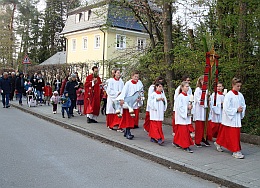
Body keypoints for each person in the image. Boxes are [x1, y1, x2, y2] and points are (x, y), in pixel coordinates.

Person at [214, 78, 246, 159]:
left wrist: (242, 109)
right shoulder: (229, 95)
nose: (239, 88)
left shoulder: (240, 95)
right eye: (237, 86)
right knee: (233, 135)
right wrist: (236, 110)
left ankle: (218, 142)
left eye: (240, 86)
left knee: (227, 133)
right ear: (233, 85)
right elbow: (226, 107)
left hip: (236, 117)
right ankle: (235, 150)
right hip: (230, 118)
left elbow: (243, 104)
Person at [116, 70, 144, 139]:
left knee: (132, 118)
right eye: (135, 77)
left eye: (137, 77)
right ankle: (128, 132)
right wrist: (122, 99)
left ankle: (126, 132)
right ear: (132, 76)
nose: (136, 78)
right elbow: (124, 92)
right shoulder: (128, 83)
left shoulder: (140, 83)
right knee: (129, 118)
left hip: (135, 103)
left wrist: (139, 98)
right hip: (128, 103)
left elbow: (141, 92)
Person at [173, 81, 194, 153]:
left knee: (182, 131)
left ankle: (176, 141)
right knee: (183, 131)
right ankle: (185, 145)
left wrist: (191, 107)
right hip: (181, 117)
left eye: (188, 86)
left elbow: (190, 105)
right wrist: (187, 108)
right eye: (186, 86)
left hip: (186, 116)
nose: (188, 88)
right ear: (182, 87)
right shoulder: (180, 97)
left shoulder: (188, 96)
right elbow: (179, 107)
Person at [193, 75, 210, 147]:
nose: (204, 82)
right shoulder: (198, 90)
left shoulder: (206, 90)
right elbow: (199, 100)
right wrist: (205, 103)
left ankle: (204, 138)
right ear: (200, 81)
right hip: (199, 110)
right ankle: (197, 140)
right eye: (203, 80)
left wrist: (209, 98)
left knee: (204, 125)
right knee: (199, 126)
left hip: (205, 110)